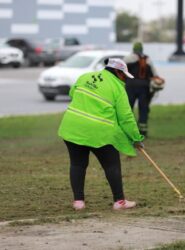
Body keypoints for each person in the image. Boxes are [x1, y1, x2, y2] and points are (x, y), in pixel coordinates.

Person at [58, 58, 144, 211]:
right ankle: (119, 202)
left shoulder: (85, 77)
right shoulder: (117, 87)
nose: (124, 78)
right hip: (99, 132)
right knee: (111, 165)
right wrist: (136, 138)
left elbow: (73, 93)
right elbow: (126, 117)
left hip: (72, 126)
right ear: (117, 72)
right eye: (123, 75)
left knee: (77, 164)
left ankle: (78, 202)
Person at [123, 42, 158, 137]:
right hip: (144, 87)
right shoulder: (148, 60)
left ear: (133, 49)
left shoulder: (128, 58)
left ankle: (127, 131)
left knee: (128, 109)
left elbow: (121, 73)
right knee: (143, 109)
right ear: (142, 49)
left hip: (130, 86)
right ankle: (143, 132)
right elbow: (155, 75)